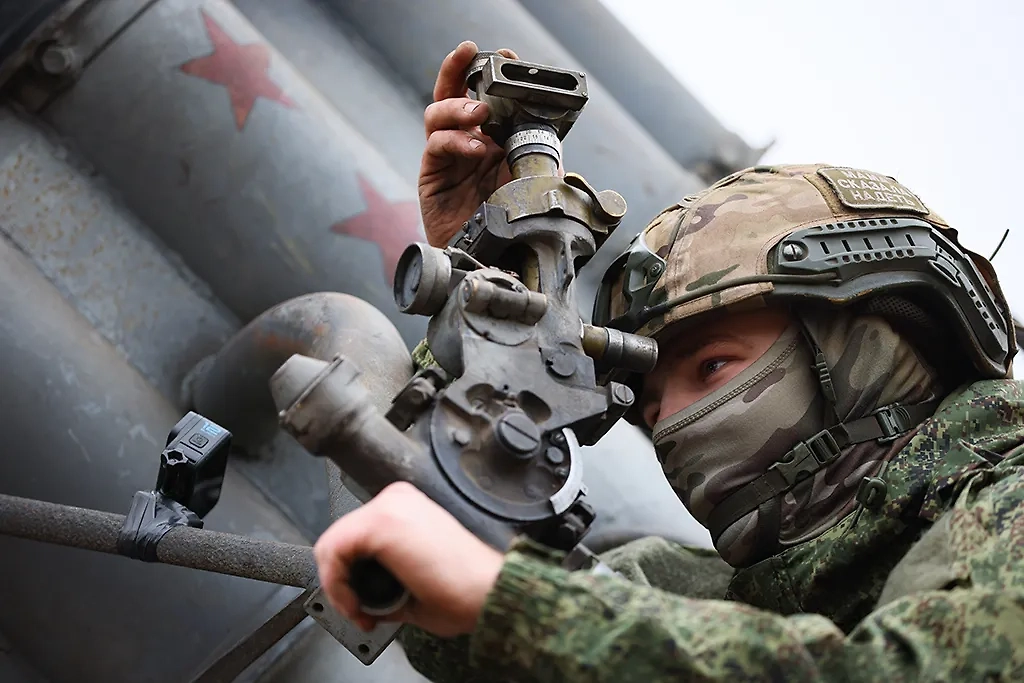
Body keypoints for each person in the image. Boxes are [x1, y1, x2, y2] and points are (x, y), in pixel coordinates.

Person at [313, 41, 1024, 681]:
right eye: (650, 409)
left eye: (712, 366)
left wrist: (521, 607)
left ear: (874, 340)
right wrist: (484, 291)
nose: (674, 425)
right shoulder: (694, 596)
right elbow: (453, 625)